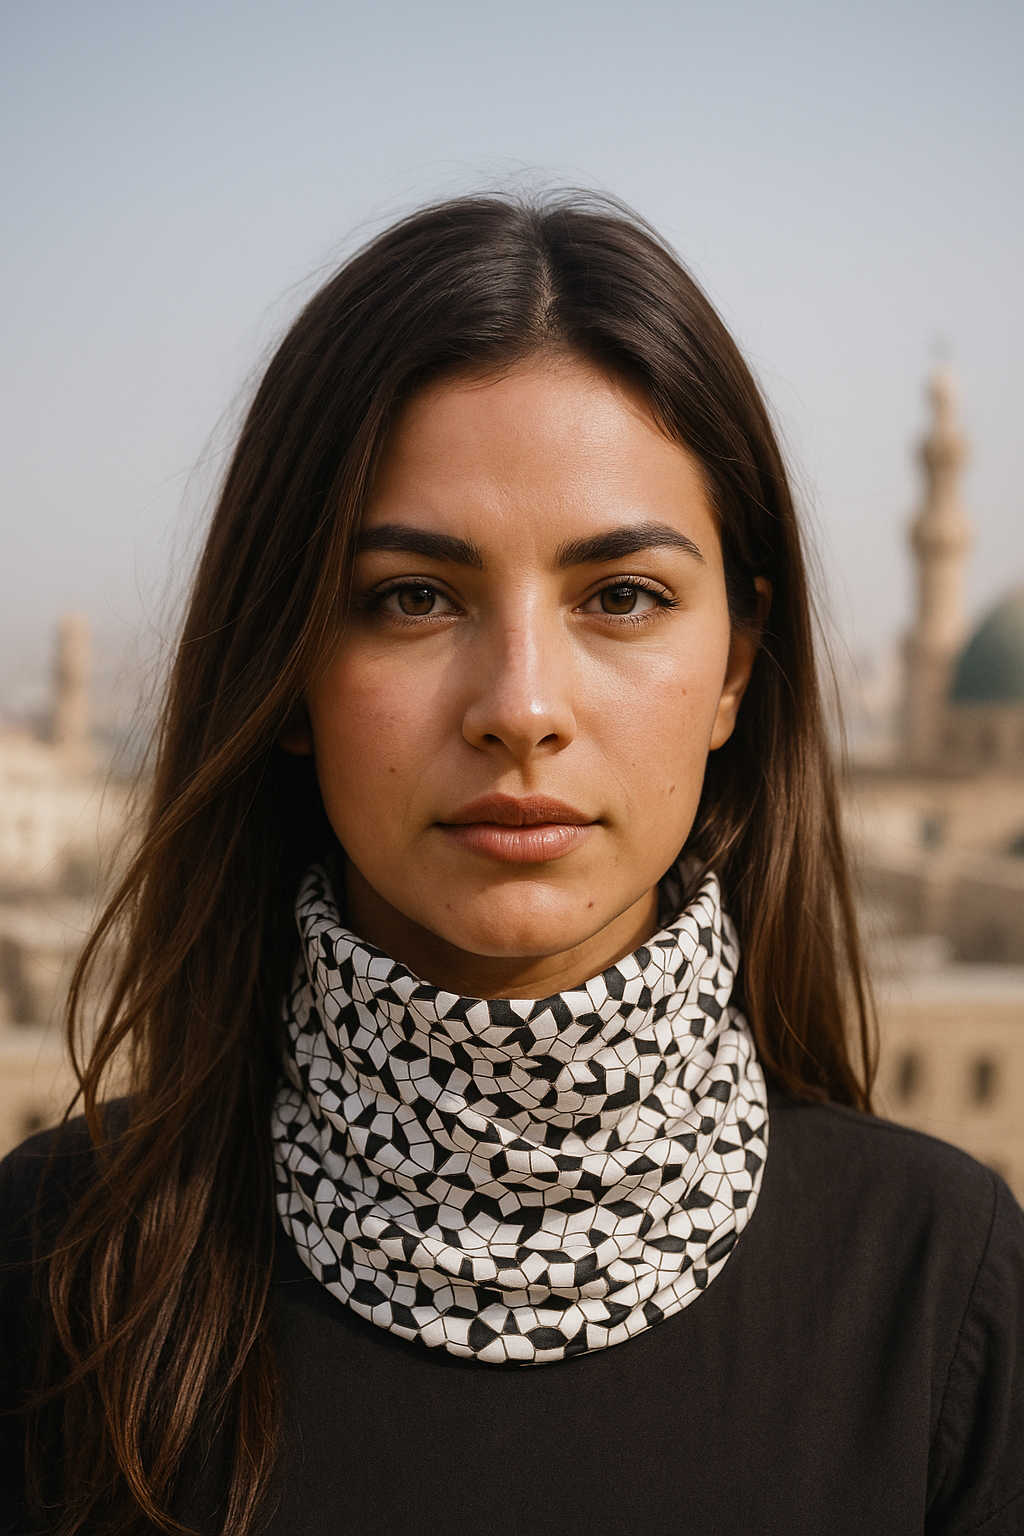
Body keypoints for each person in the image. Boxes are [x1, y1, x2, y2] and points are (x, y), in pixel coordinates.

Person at [1, 192, 1022, 1536]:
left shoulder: (934, 1288)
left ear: (735, 669)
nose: (521, 706)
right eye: (412, 597)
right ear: (290, 669)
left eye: (622, 597)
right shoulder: (61, 1267)